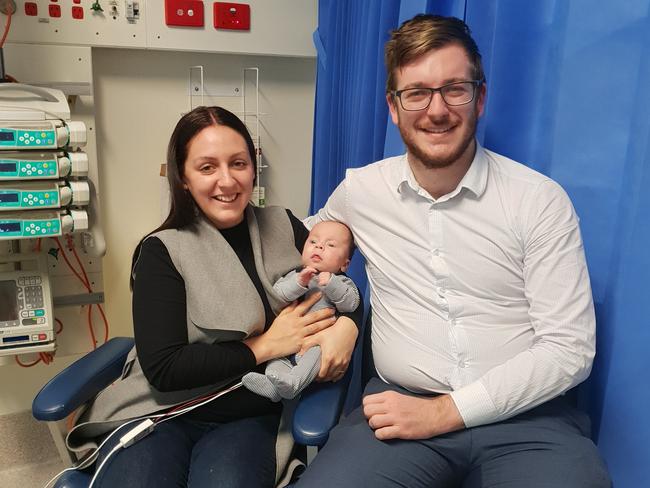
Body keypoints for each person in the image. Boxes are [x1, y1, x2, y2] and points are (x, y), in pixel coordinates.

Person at [297, 14, 611, 488]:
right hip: (398, 412)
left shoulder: (538, 200)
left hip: (528, 421)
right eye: (417, 92)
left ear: (480, 98)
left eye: (455, 89)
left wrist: (445, 413)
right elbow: (312, 236)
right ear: (393, 107)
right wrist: (340, 322)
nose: (436, 109)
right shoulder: (361, 191)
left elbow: (568, 351)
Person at [64, 106, 362, 487]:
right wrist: (265, 346)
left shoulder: (284, 226)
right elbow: (164, 369)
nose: (227, 181)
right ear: (183, 178)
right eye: (207, 168)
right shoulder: (162, 251)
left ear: (253, 169)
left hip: (250, 415)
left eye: (238, 163)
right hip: (162, 411)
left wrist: (348, 329)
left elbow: (342, 285)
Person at [243, 220, 360, 401]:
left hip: (317, 342)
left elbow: (351, 304)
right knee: (276, 361)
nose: (319, 246)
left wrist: (331, 283)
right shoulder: (294, 275)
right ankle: (275, 389)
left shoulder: (342, 281)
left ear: (344, 265)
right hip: (285, 342)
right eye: (313, 242)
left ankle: (293, 384)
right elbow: (278, 295)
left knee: (316, 355)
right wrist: (299, 283)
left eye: (330, 245)